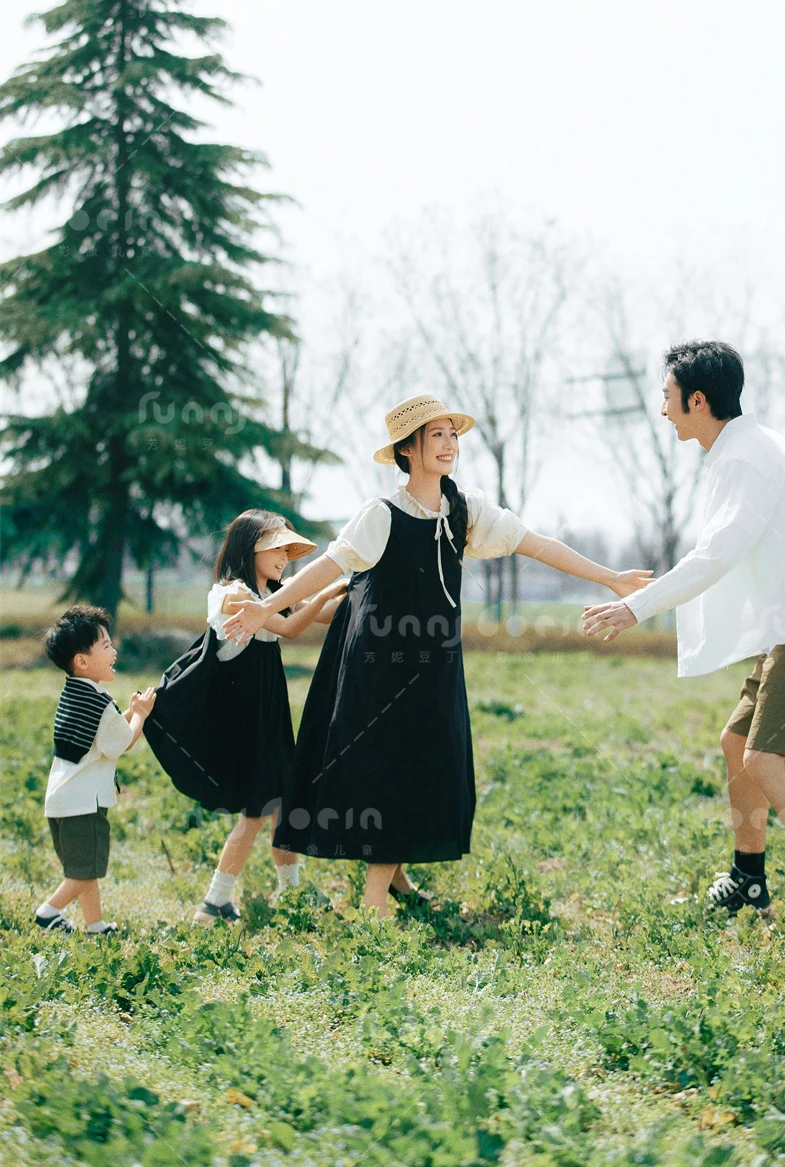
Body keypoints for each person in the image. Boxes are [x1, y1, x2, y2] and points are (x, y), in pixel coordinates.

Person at [223, 394, 652, 918]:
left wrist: (608, 578)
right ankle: (375, 898)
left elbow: (536, 544)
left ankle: (396, 880)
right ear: (407, 449)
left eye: (453, 434)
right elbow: (328, 568)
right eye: (437, 435)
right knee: (391, 765)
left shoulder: (466, 510)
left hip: (435, 664)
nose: (450, 444)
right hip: (378, 664)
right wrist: (266, 606)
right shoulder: (380, 515)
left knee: (423, 760)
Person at [582, 341, 785, 926]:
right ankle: (748, 880)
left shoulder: (746, 458)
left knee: (765, 757)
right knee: (737, 744)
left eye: (667, 397)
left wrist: (636, 607)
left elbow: (715, 555)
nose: (662, 409)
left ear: (698, 400)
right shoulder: (744, 449)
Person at [144, 509, 346, 925]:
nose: (285, 557)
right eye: (278, 548)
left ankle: (288, 894)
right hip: (243, 719)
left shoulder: (273, 589)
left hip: (267, 715)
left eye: (289, 550)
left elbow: (320, 615)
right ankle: (214, 902)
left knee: (280, 806)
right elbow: (290, 629)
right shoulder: (234, 594)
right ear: (251, 546)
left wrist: (353, 588)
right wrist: (325, 594)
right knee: (257, 813)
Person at [38, 605, 156, 935]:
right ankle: (48, 912)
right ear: (82, 661)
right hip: (84, 804)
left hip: (61, 801)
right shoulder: (100, 703)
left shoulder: (74, 694)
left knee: (84, 869)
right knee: (84, 871)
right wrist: (140, 714)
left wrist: (129, 715)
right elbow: (121, 743)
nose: (114, 651)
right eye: (106, 646)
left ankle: (95, 926)